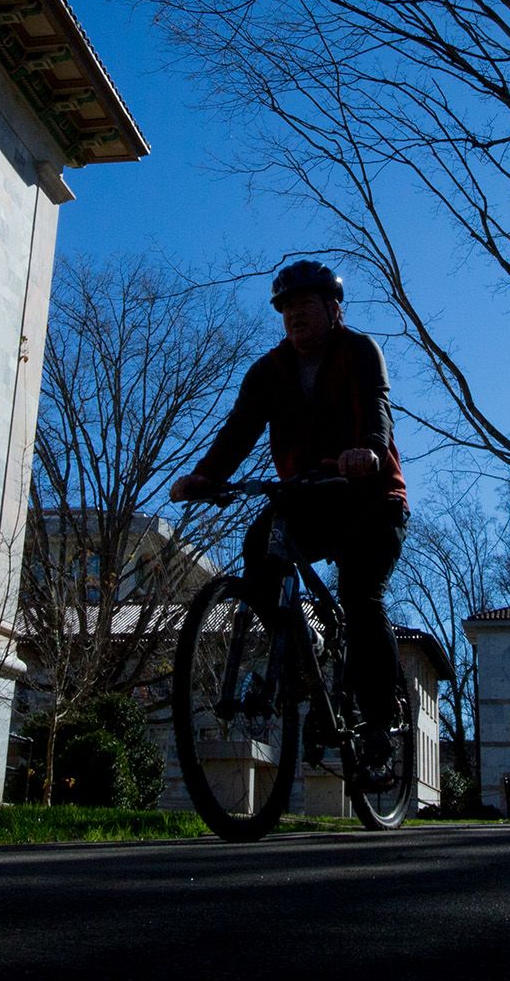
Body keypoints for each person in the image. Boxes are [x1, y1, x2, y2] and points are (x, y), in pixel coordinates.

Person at [171, 259, 408, 785]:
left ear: (332, 308)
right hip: (308, 495)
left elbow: (376, 408)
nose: (295, 316)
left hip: (371, 497)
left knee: (361, 595)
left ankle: (378, 722)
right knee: (261, 543)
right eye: (287, 309)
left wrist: (367, 450)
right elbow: (239, 432)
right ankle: (293, 660)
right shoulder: (268, 372)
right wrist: (205, 477)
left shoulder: (359, 352)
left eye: (305, 305)